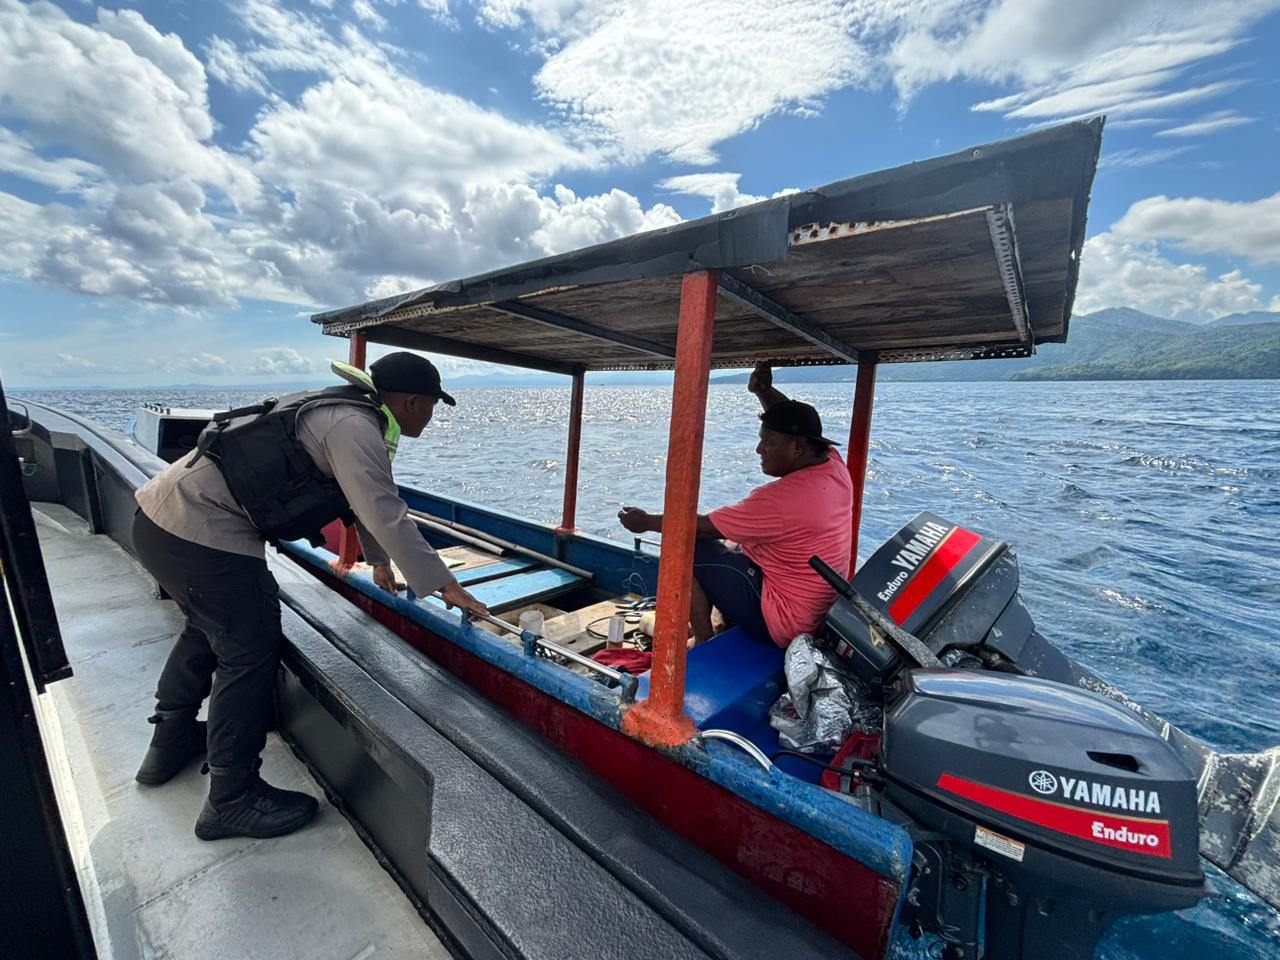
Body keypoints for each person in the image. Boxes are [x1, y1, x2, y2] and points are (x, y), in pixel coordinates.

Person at [131, 351, 490, 841]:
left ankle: (169, 741)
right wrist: (445, 584)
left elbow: (360, 498)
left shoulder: (340, 411)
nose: (430, 416)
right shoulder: (356, 427)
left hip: (161, 519)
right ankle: (231, 799)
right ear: (410, 402)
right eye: (431, 405)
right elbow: (385, 509)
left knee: (206, 628)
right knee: (248, 650)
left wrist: (379, 562)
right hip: (202, 532)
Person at [618, 363, 852, 648]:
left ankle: (703, 641)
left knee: (687, 544)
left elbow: (701, 528)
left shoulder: (781, 500)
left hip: (786, 622)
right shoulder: (833, 466)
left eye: (769, 442)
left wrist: (646, 523)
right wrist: (764, 393)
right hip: (816, 613)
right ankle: (719, 620)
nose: (759, 449)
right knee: (733, 540)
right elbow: (790, 419)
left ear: (798, 447)